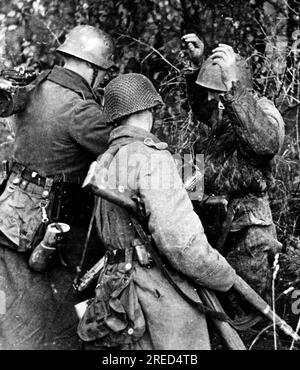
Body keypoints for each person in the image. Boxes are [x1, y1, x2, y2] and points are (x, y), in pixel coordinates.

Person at [77, 73, 236, 350]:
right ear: (149, 110)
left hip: (118, 294)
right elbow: (182, 244)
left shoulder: (105, 160)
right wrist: (224, 275)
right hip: (156, 295)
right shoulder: (151, 156)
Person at [0, 25, 116, 349]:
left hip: (12, 214)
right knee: (62, 316)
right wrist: (192, 171)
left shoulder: (35, 87)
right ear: (92, 68)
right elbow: (128, 148)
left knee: (14, 313)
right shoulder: (80, 108)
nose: (102, 81)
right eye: (103, 74)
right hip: (54, 228)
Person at [181, 34, 285, 301]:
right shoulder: (225, 109)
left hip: (247, 231)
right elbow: (205, 110)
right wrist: (197, 66)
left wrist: (231, 88)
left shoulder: (264, 112)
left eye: (218, 94)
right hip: (215, 223)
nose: (212, 100)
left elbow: (264, 144)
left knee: (247, 305)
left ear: (236, 87)